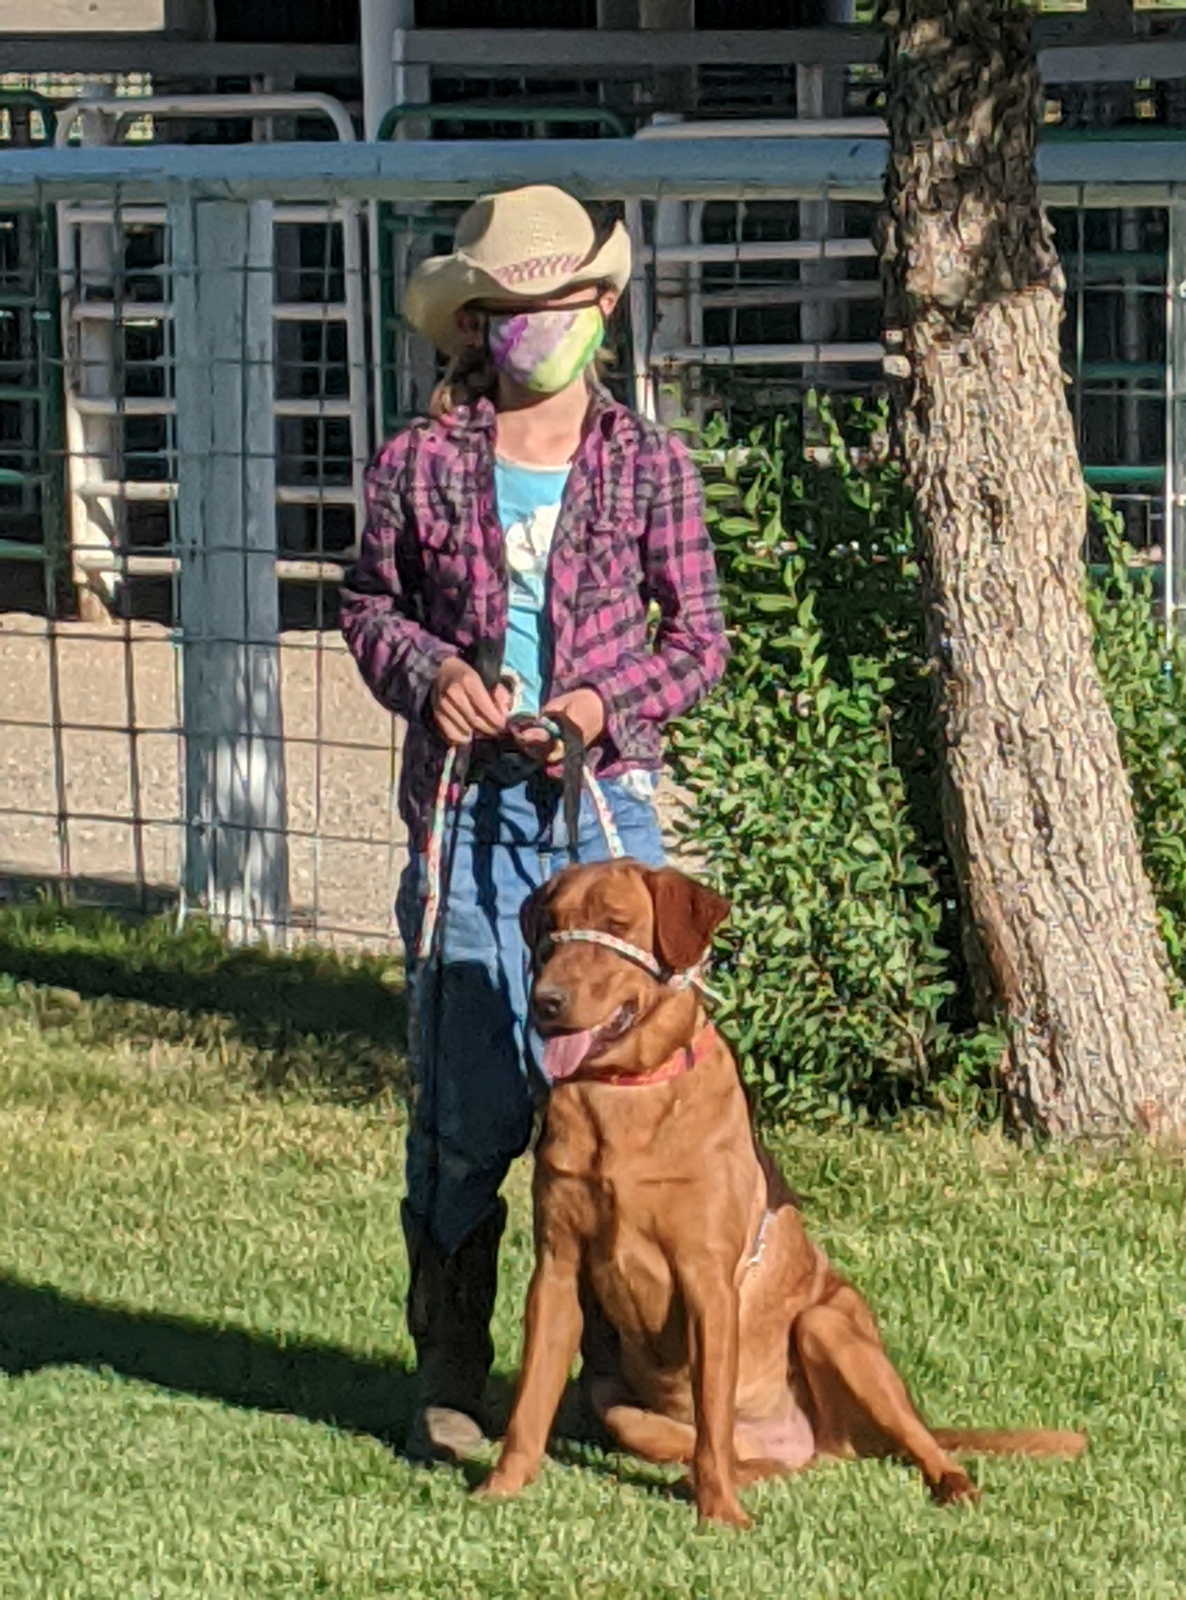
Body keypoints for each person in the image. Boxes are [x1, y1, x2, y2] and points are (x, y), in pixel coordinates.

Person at [339, 184, 728, 1463]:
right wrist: (430, 677)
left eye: (555, 304)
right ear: (477, 322)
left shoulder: (650, 466)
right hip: (468, 816)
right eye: (508, 309)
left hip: (601, 816)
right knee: (467, 1093)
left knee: (627, 1075)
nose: (532, 328)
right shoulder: (418, 463)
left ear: (601, 308)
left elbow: (703, 641)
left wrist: (604, 703)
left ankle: (616, 1357)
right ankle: (453, 1363)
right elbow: (369, 607)